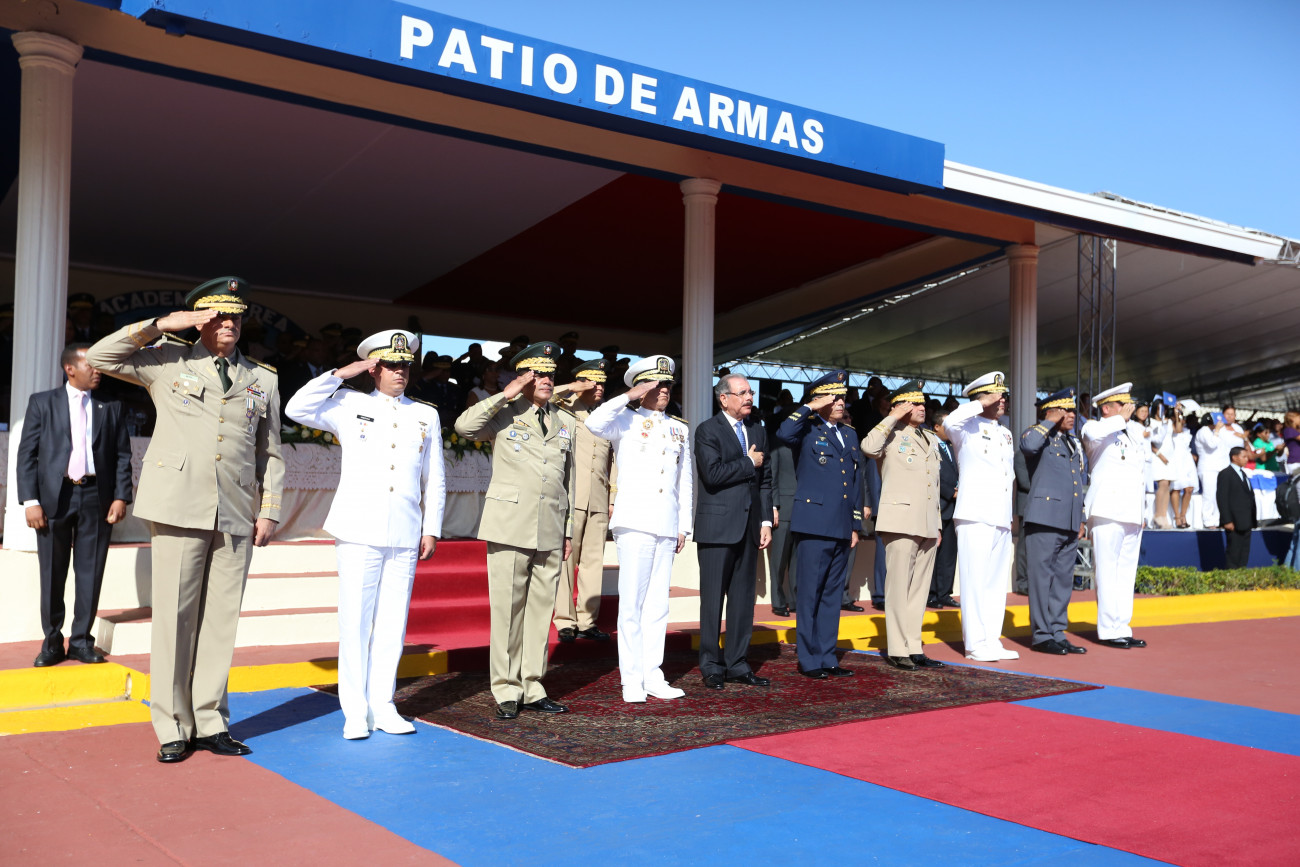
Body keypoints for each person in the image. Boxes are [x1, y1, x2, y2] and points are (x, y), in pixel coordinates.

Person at [86, 277, 284, 763]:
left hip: (235, 508)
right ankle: (173, 725)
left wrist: (269, 509)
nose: (229, 323)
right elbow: (101, 357)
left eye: (236, 316)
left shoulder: (262, 378)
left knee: (220, 621)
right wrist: (159, 325)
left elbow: (271, 452)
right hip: (179, 504)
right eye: (218, 315)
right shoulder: (167, 360)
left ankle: (211, 721)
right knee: (175, 619)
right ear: (199, 320)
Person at [284, 329, 445, 740]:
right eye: (390, 365)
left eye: (405, 366)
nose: (400, 372)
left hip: (404, 530)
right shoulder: (348, 403)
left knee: (393, 624)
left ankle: (384, 704)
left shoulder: (425, 414)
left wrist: (431, 528)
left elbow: (435, 477)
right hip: (358, 528)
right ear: (374, 369)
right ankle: (355, 711)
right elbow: (295, 408)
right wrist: (341, 373)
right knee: (355, 622)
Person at [454, 342, 575, 720]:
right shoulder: (505, 412)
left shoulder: (565, 420)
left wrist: (568, 530)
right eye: (538, 374)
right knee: (508, 610)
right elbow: (464, 427)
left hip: (550, 525)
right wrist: (505, 394)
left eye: (550, 374)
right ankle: (506, 687)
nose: (547, 380)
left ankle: (533, 685)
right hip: (510, 524)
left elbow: (567, 480)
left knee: (540, 612)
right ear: (523, 378)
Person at [17, 344, 133, 667]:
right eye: (91, 365)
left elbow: (122, 455)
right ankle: (52, 642)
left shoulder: (111, 405)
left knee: (90, 572)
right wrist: (31, 501)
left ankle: (81, 641)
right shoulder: (42, 403)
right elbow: (27, 454)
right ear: (70, 369)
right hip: (54, 498)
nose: (98, 371)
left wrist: (121, 496)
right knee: (52, 573)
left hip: (97, 496)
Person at [585, 355, 693, 702]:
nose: (664, 390)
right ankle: (631, 679)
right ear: (641, 387)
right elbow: (594, 422)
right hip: (634, 522)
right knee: (632, 604)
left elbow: (685, 480)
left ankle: (653, 674)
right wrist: (629, 396)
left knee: (658, 605)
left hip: (666, 523)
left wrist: (684, 525)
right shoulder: (624, 420)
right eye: (656, 385)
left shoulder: (679, 428)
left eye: (667, 385)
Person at [777, 370, 862, 677]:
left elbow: (855, 481)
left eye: (842, 397)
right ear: (819, 400)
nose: (840, 402)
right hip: (813, 523)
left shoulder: (849, 434)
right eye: (834, 397)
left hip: (841, 524)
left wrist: (855, 525)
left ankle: (827, 656)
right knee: (809, 593)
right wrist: (810, 407)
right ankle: (809, 659)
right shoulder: (806, 428)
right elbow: (783, 433)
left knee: (831, 594)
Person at [693, 373, 773, 689]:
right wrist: (748, 462)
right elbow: (712, 475)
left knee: (742, 601)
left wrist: (765, 521)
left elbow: (765, 481)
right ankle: (711, 665)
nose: (749, 397)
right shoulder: (707, 430)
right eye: (742, 393)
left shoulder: (758, 430)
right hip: (717, 528)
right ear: (724, 398)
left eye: (750, 392)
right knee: (712, 601)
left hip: (750, 528)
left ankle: (738, 663)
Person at [861, 381, 945, 670]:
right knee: (898, 587)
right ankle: (898, 648)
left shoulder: (930, 437)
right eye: (914, 403)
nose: (922, 408)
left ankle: (913, 646)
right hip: (900, 520)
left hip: (927, 522)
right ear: (900, 406)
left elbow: (933, 484)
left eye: (923, 403)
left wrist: (937, 523)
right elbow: (868, 447)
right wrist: (893, 416)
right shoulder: (889, 433)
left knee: (919, 590)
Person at [944, 371, 1018, 662]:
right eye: (996, 396)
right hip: (975, 513)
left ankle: (991, 639)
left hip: (1000, 514)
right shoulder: (966, 427)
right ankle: (975, 644)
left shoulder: (1005, 432)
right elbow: (949, 422)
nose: (1002, 400)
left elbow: (1007, 475)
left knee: (995, 583)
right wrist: (980, 403)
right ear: (981, 398)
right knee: (974, 581)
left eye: (1003, 396)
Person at [1020, 388, 1089, 656]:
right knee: (1041, 581)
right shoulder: (1037, 435)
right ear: (1052, 412)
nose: (1071, 415)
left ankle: (1058, 632)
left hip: (1069, 521)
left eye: (1072, 410)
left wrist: (1080, 518)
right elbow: (1028, 446)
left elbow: (1078, 483)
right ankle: (1041, 634)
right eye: (1065, 411)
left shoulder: (1072, 442)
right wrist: (1048, 420)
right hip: (1045, 519)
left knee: (1062, 581)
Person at [550, 359, 614, 644]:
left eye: (602, 383)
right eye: (592, 382)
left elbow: (613, 460)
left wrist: (612, 497)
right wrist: (574, 387)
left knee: (593, 562)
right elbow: (544, 396)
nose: (598, 387)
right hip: (572, 496)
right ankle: (565, 620)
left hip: (599, 498)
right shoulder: (563, 408)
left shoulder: (607, 415)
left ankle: (588, 621)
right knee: (566, 560)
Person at [1081, 383, 1148, 649]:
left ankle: (1122, 627)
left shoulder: (1131, 433)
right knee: (1107, 572)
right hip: (1107, 510)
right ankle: (1109, 630)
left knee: (1126, 574)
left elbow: (1139, 475)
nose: (1128, 408)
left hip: (1131, 512)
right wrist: (1121, 419)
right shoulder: (1094, 429)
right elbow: (1093, 432)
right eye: (1122, 404)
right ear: (1107, 408)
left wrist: (1142, 511)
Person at [766, 411, 798, 617]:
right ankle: (778, 602)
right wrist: (774, 506)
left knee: (797, 560)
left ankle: (794, 600)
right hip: (783, 508)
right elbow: (772, 476)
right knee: (778, 561)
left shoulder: (804, 441)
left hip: (802, 508)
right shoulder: (776, 442)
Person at [928, 408, 959, 608]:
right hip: (937, 506)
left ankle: (945, 593)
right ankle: (931, 594)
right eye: (947, 425)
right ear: (937, 427)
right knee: (933, 554)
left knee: (949, 554)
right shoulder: (929, 446)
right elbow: (932, 474)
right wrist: (950, 492)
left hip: (954, 508)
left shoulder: (953, 446)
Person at [1217, 446, 1256, 569]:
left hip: (1246, 521)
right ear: (1234, 457)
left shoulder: (1243, 473)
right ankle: (1232, 576)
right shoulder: (1226, 474)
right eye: (1243, 457)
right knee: (1234, 552)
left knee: (1244, 552)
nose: (1246, 459)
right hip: (1234, 522)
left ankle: (1242, 574)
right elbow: (1222, 498)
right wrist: (1227, 520)